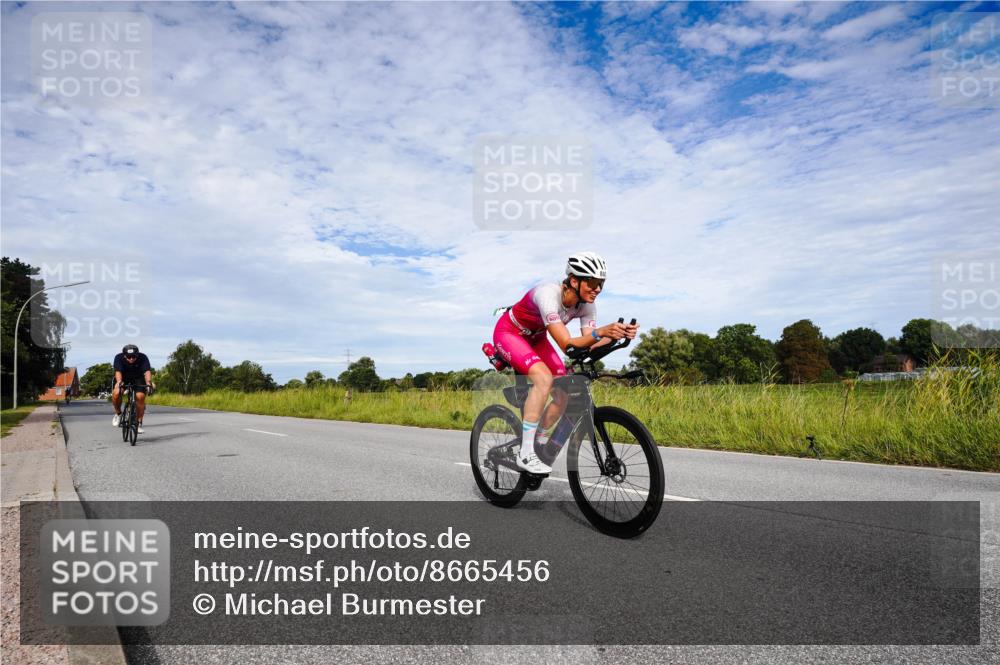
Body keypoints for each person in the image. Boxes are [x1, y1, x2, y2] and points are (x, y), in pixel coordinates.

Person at [493, 252, 638, 474]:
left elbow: (588, 343)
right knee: (543, 378)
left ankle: (537, 440)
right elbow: (567, 344)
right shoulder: (547, 294)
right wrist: (601, 332)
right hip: (510, 333)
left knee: (563, 392)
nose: (597, 289)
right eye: (592, 283)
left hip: (537, 338)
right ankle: (526, 453)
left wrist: (616, 335)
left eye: (601, 284)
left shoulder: (587, 306)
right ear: (573, 281)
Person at [111, 344, 154, 433]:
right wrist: (119, 383)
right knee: (116, 393)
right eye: (129, 357)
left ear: (137, 355)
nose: (131, 359)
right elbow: (118, 372)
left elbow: (147, 371)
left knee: (140, 397)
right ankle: (118, 414)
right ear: (124, 356)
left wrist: (149, 382)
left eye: (134, 357)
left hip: (138, 378)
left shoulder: (143, 357)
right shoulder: (118, 357)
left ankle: (138, 423)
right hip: (123, 378)